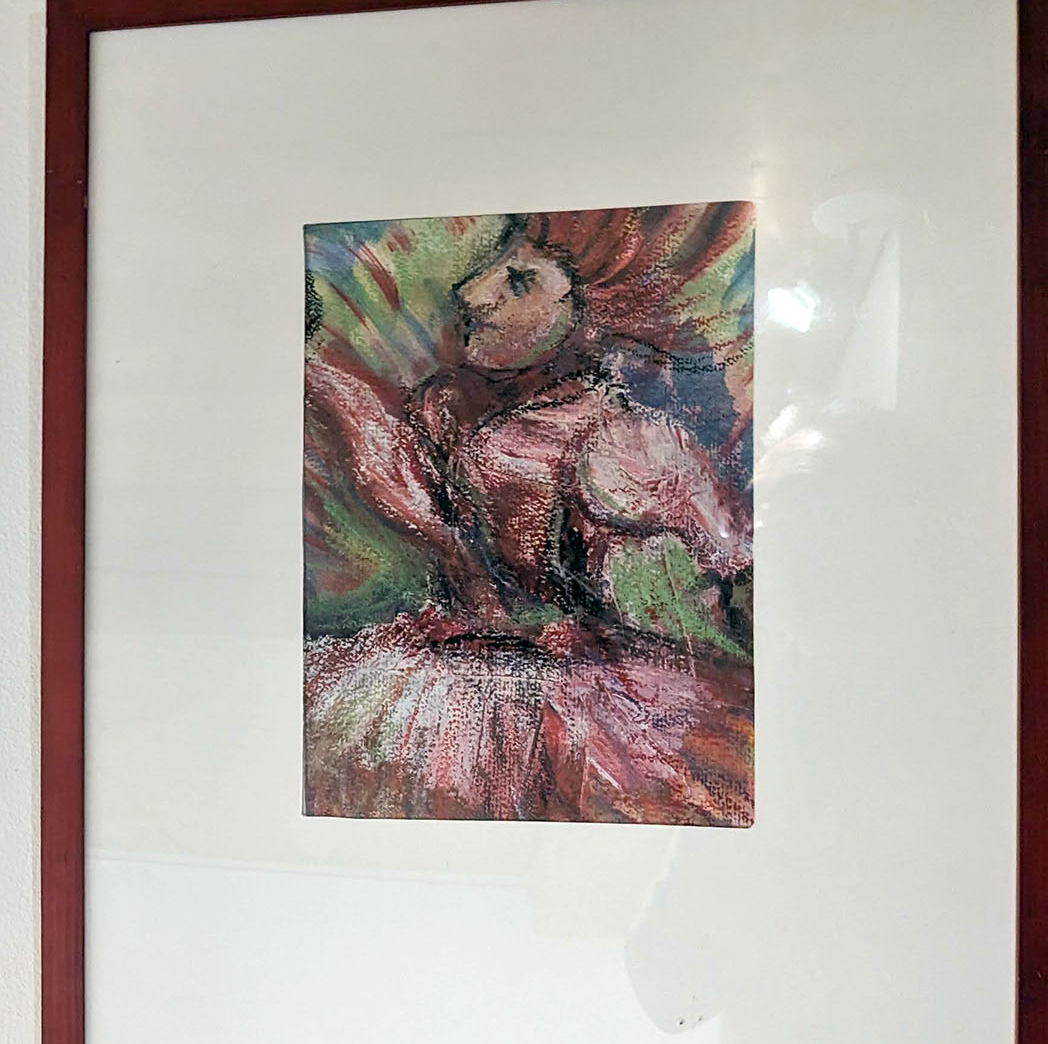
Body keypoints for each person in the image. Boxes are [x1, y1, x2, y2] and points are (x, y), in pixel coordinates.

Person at [302, 204, 754, 826]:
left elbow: (696, 599)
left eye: (518, 281)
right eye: (488, 273)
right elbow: (430, 522)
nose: (473, 296)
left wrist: (645, 563)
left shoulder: (622, 439)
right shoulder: (445, 406)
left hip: (565, 686)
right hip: (459, 664)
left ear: (586, 309)